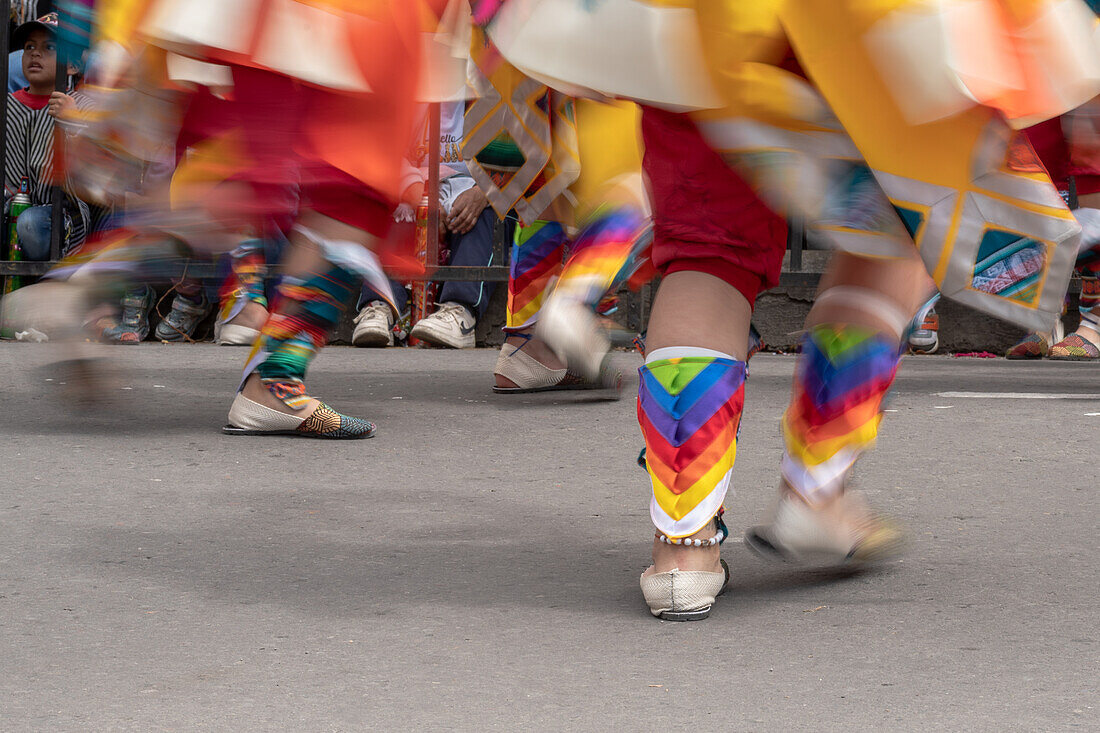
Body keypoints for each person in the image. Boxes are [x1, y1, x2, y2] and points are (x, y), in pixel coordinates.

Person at [353, 101, 506, 349]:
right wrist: (421, 194)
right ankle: (378, 306)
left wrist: (484, 192)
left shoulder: (491, 91)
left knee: (480, 216)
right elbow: (388, 152)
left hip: (476, 190)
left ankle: (459, 312)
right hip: (420, 188)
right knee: (398, 211)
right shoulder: (415, 92)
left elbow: (515, 157)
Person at [4, 12, 92, 261]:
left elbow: (93, 174)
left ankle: (46, 279)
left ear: (72, 65)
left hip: (59, 216)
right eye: (29, 46)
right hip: (10, 206)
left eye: (49, 47)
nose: (35, 53)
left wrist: (74, 123)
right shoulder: (8, 105)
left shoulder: (81, 105)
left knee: (31, 222)